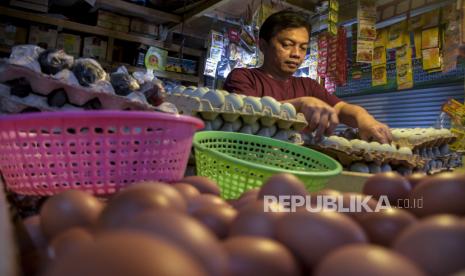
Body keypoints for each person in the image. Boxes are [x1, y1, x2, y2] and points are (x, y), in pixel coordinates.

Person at [223, 10, 392, 143]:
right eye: (287, 45)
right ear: (263, 45)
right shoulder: (243, 77)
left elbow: (340, 108)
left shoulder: (308, 86)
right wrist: (299, 104)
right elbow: (247, 114)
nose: (296, 54)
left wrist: (365, 119)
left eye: (303, 47)